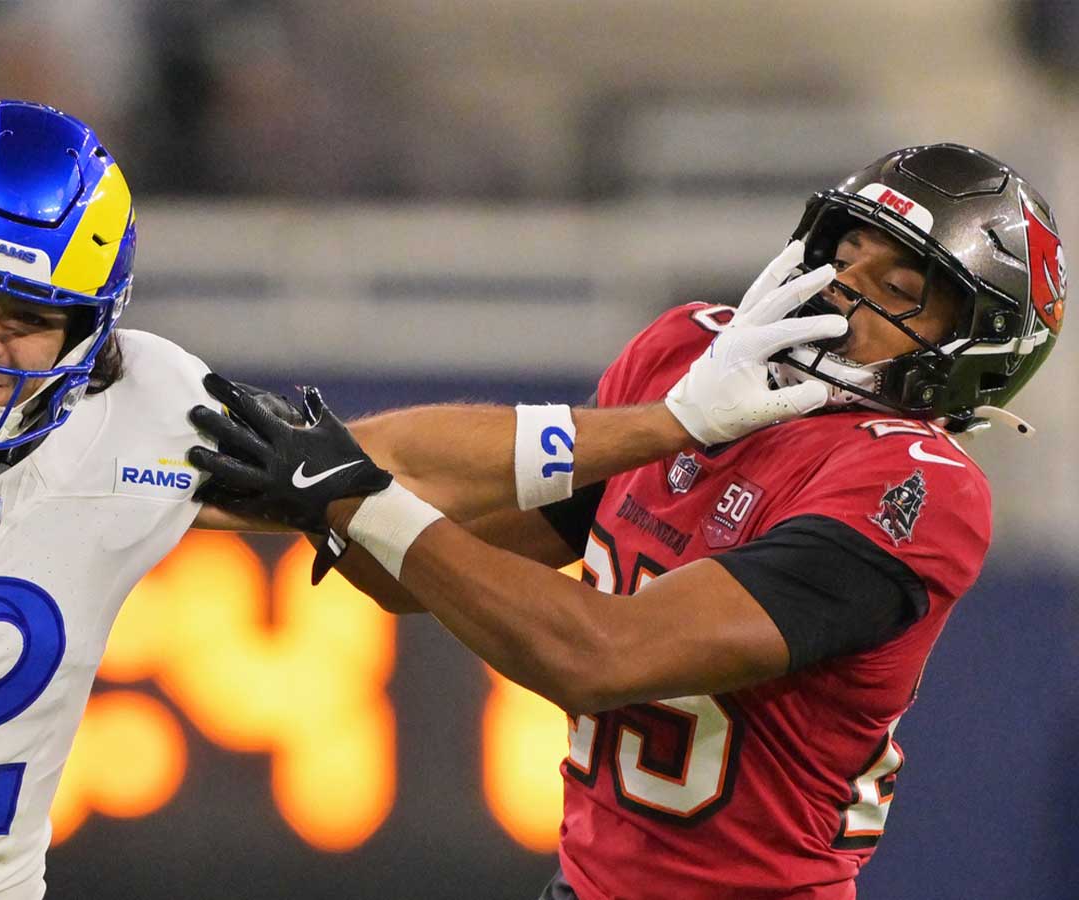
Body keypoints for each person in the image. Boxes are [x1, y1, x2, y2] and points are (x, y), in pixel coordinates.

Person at [0, 99, 819, 900]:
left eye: (28, 315)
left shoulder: (141, 411)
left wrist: (673, 424)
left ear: (94, 334)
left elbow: (375, 461)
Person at [188, 143, 1064, 899]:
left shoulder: (915, 485)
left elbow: (600, 656)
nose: (840, 292)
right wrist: (332, 502)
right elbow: (401, 573)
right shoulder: (689, 357)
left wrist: (358, 498)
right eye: (845, 254)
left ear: (973, 349)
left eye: (899, 290)